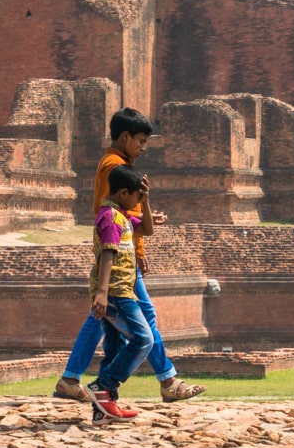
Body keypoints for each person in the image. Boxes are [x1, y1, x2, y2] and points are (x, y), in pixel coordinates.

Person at [53, 108, 206, 405]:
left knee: (106, 322)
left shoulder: (115, 163)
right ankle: (163, 381)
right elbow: (113, 214)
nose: (143, 147)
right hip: (121, 262)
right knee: (130, 321)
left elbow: (129, 217)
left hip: (125, 258)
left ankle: (84, 380)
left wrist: (143, 233)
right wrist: (136, 251)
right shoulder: (115, 167)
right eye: (140, 141)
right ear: (125, 137)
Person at [85, 165, 154, 421]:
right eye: (137, 197)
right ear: (124, 193)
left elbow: (147, 230)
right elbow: (107, 253)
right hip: (116, 292)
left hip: (118, 291)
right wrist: (102, 294)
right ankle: (103, 386)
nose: (138, 202)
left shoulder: (120, 214)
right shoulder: (111, 218)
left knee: (115, 348)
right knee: (143, 339)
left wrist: (145, 200)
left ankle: (103, 408)